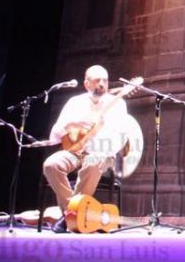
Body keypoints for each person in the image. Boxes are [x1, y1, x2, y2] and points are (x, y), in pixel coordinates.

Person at [42, 65, 129, 233]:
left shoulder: (117, 104)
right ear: (87, 84)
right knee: (51, 164)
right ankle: (72, 213)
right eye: (97, 80)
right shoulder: (75, 103)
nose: (102, 84)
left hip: (102, 153)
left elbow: (121, 137)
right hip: (75, 151)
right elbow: (55, 135)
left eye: (105, 80)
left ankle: (68, 216)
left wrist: (102, 148)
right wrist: (73, 124)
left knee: (93, 160)